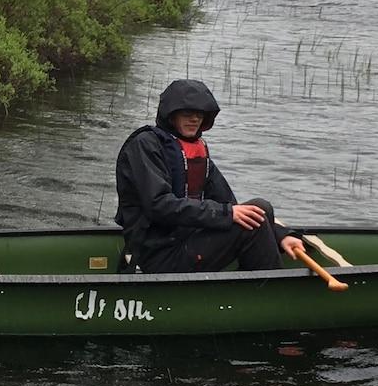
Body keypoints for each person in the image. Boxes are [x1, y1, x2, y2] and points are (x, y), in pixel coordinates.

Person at [114, 77, 307, 274]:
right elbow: (160, 206)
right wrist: (227, 213)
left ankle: (257, 285)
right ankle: (272, 294)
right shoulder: (145, 145)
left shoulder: (195, 152)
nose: (194, 119)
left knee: (260, 208)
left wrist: (281, 235)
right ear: (171, 116)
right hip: (156, 254)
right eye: (187, 113)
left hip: (185, 240)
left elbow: (231, 204)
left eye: (200, 114)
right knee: (251, 227)